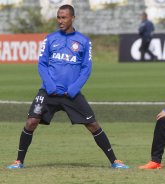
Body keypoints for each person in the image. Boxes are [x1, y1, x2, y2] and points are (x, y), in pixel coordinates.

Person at [7, 4, 129, 169]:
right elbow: (42, 64)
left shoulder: (84, 41)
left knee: (93, 125)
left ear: (73, 18)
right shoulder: (49, 39)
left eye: (64, 17)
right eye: (58, 17)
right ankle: (19, 161)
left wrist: (73, 89)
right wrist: (50, 86)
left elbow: (86, 68)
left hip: (71, 93)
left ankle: (115, 161)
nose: (60, 21)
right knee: (31, 122)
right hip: (49, 92)